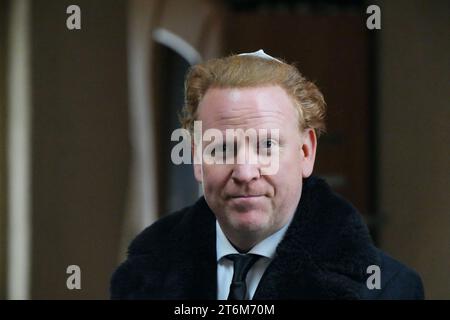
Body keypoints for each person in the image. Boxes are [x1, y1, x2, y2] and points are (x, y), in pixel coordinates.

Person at [110, 50, 424, 299]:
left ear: (306, 152)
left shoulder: (389, 290)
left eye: (267, 145)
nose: (245, 172)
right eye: (221, 148)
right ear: (196, 159)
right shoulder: (141, 278)